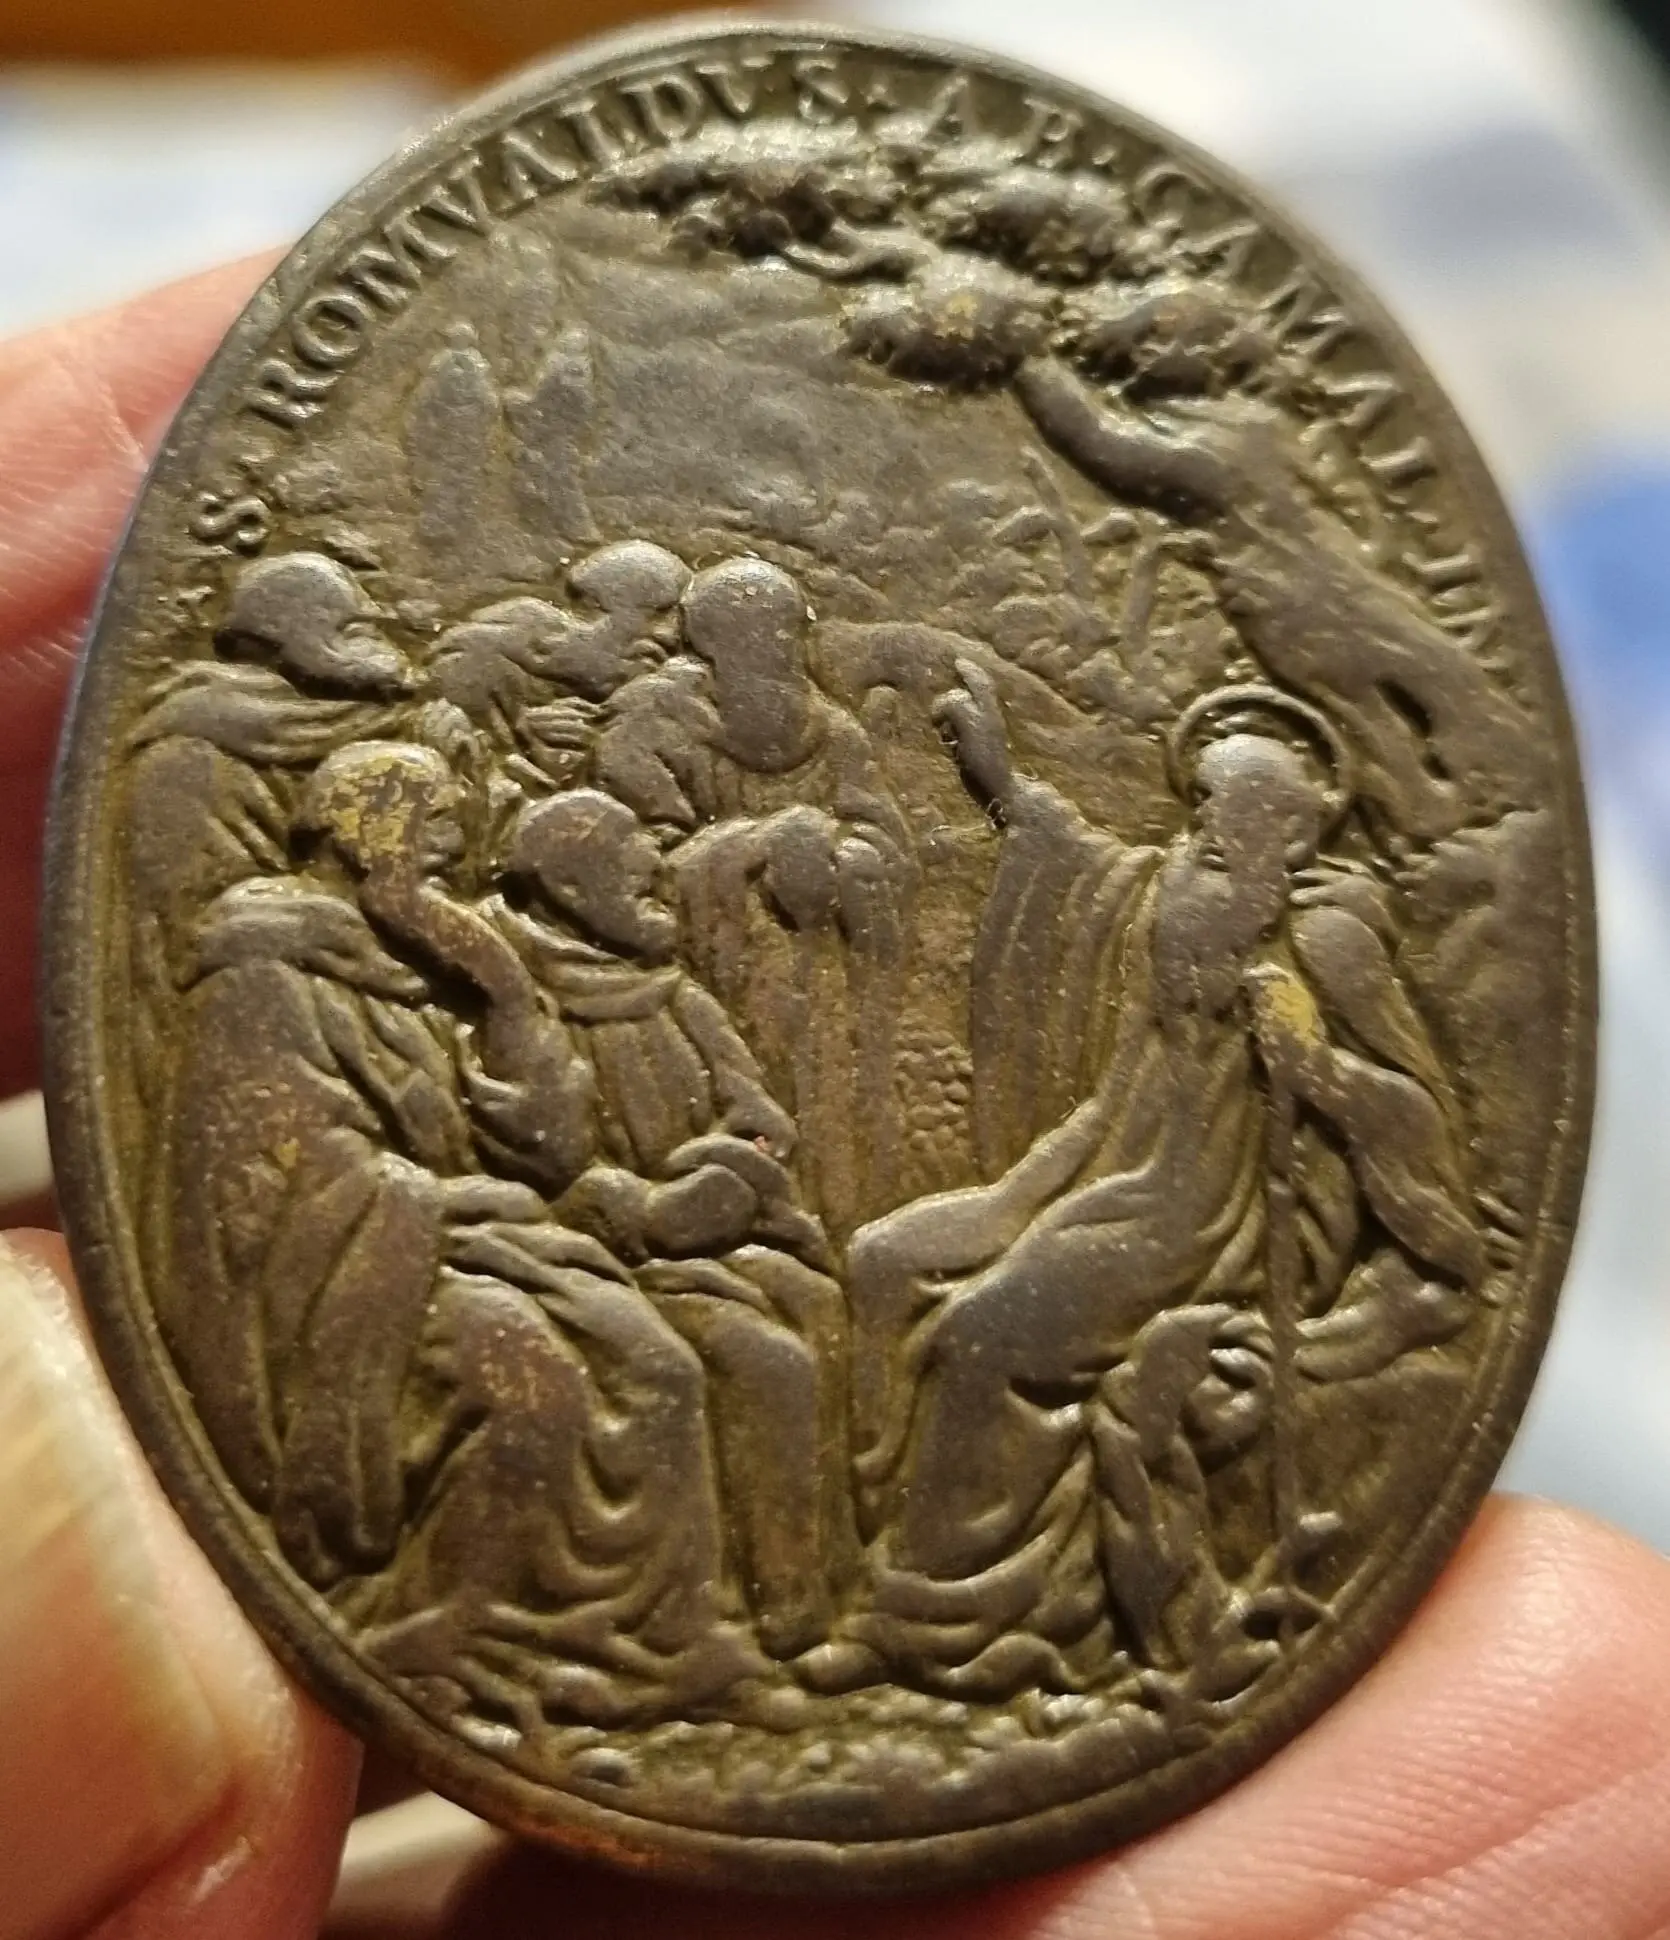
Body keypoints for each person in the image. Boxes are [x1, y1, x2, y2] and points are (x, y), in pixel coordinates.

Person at [6, 258, 1670, 1940]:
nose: (747, 653)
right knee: (872, 1271)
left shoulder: (1275, 917)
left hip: (886, 1063)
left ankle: (897, 1610)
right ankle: (850, 1609)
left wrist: (852, 868)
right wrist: (742, 868)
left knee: (851, 1280)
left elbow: (906, 877)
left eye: (760, 634)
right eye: (728, 634)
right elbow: (621, 893)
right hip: (755, 1032)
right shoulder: (589, 823)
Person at [837, 663, 1484, 1695]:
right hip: (1113, 1161)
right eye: (1201, 807)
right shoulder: (1188, 886)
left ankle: (937, 1619)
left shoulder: (1324, 934)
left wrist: (1317, 1067)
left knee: (982, 1333)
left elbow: (1412, 1112)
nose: (1201, 826)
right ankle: (861, 1541)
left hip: (1222, 1211)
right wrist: (1003, 784)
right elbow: (1096, 865)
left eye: (1225, 812)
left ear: (1291, 836)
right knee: (883, 1258)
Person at [488, 787, 857, 1662]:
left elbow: (760, 1116)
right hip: (604, 1257)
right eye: (628, 858)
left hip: (715, 1232)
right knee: (769, 1361)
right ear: (571, 888)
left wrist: (728, 1173)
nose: (654, 869)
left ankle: (835, 1582)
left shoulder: (672, 997)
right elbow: (537, 1165)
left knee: (819, 1305)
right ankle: (785, 1615)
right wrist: (647, 1211)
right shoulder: (524, 1005)